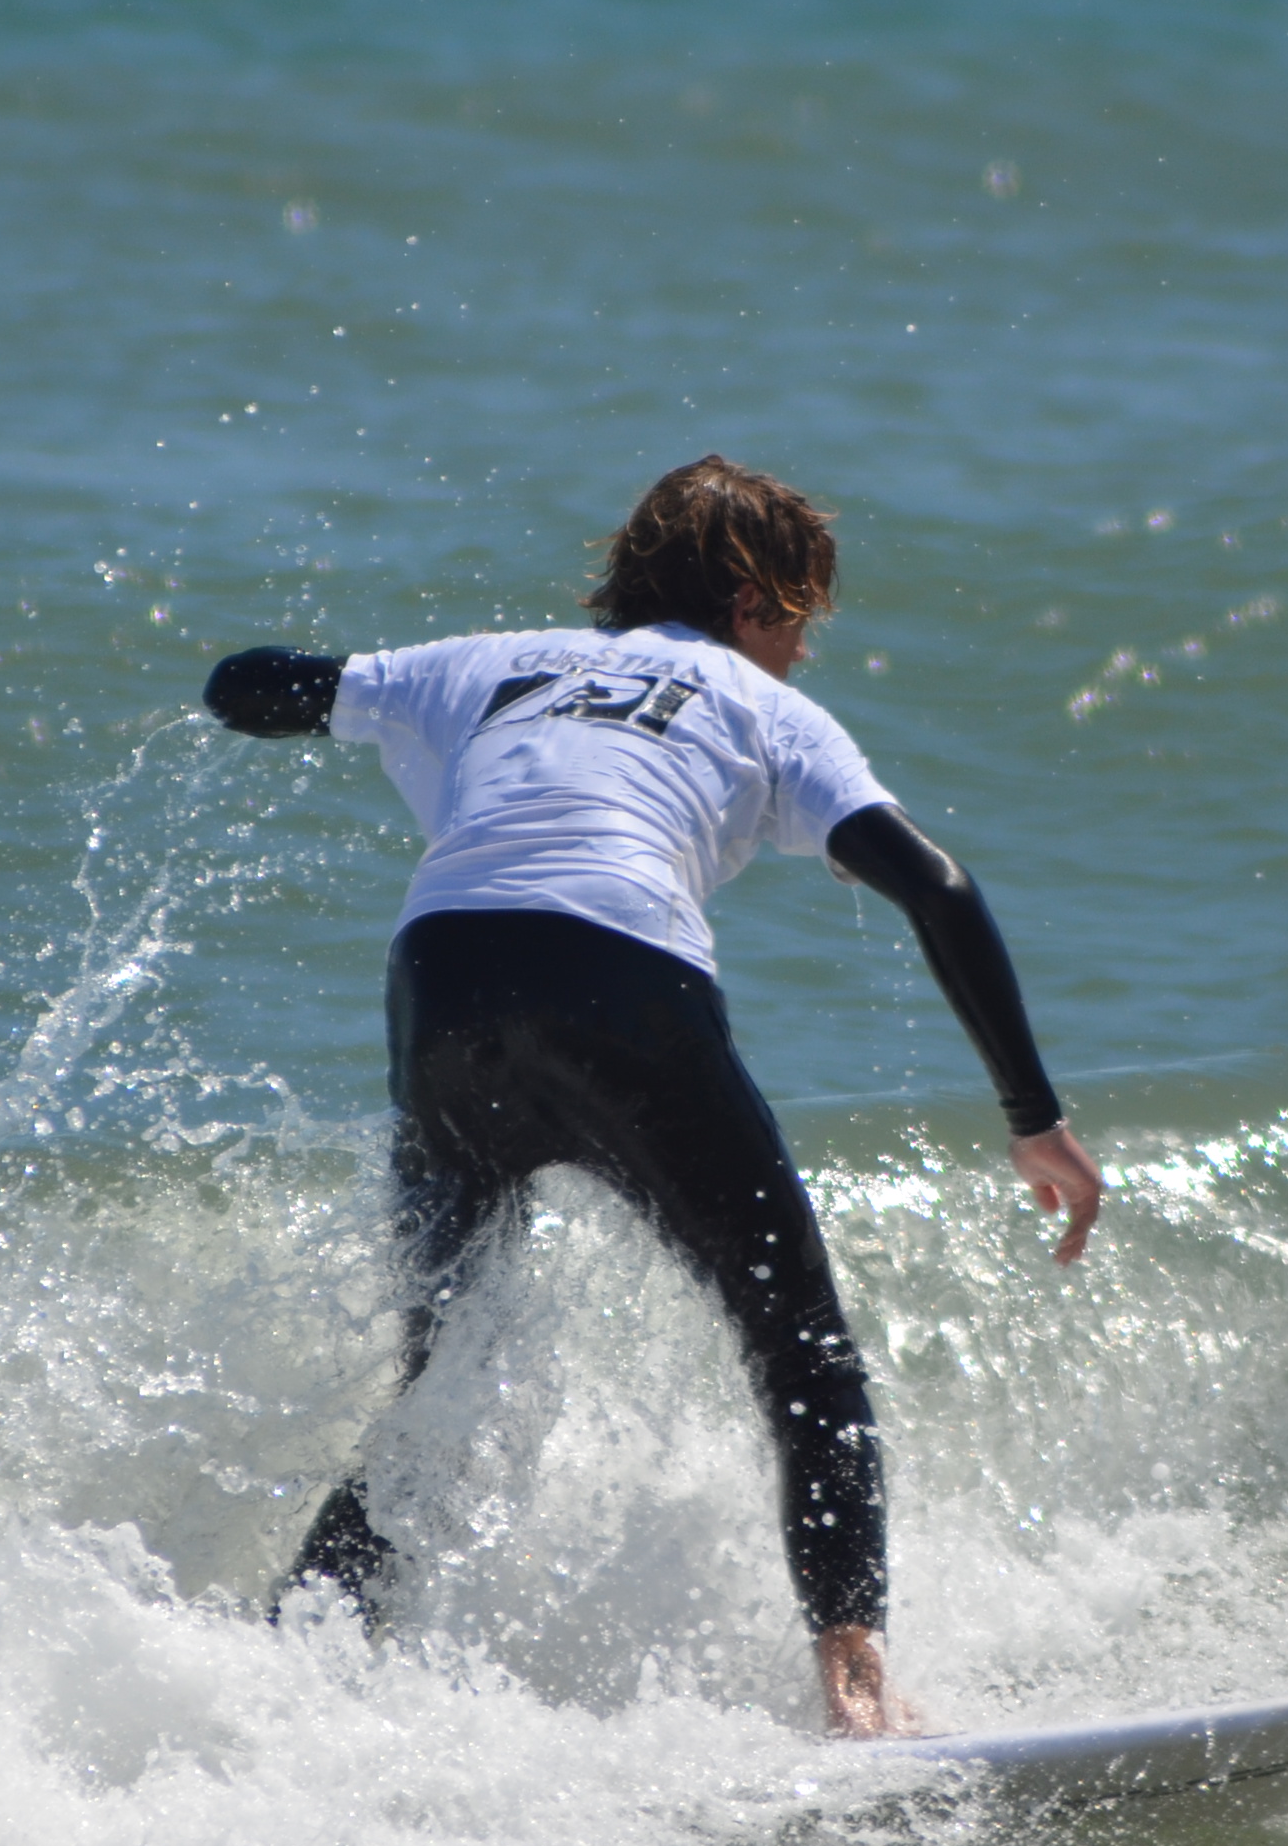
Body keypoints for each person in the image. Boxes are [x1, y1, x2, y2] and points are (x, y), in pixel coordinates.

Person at [201, 455, 1103, 1737]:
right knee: (802, 1352)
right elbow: (937, 887)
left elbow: (244, 688)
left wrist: (303, 686)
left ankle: (281, 1690)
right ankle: (858, 1698)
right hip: (620, 978)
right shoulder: (760, 704)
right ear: (751, 603)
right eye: (798, 620)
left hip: (443, 985)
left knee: (439, 1393)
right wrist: (1033, 1118)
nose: (802, 653)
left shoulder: (480, 663)